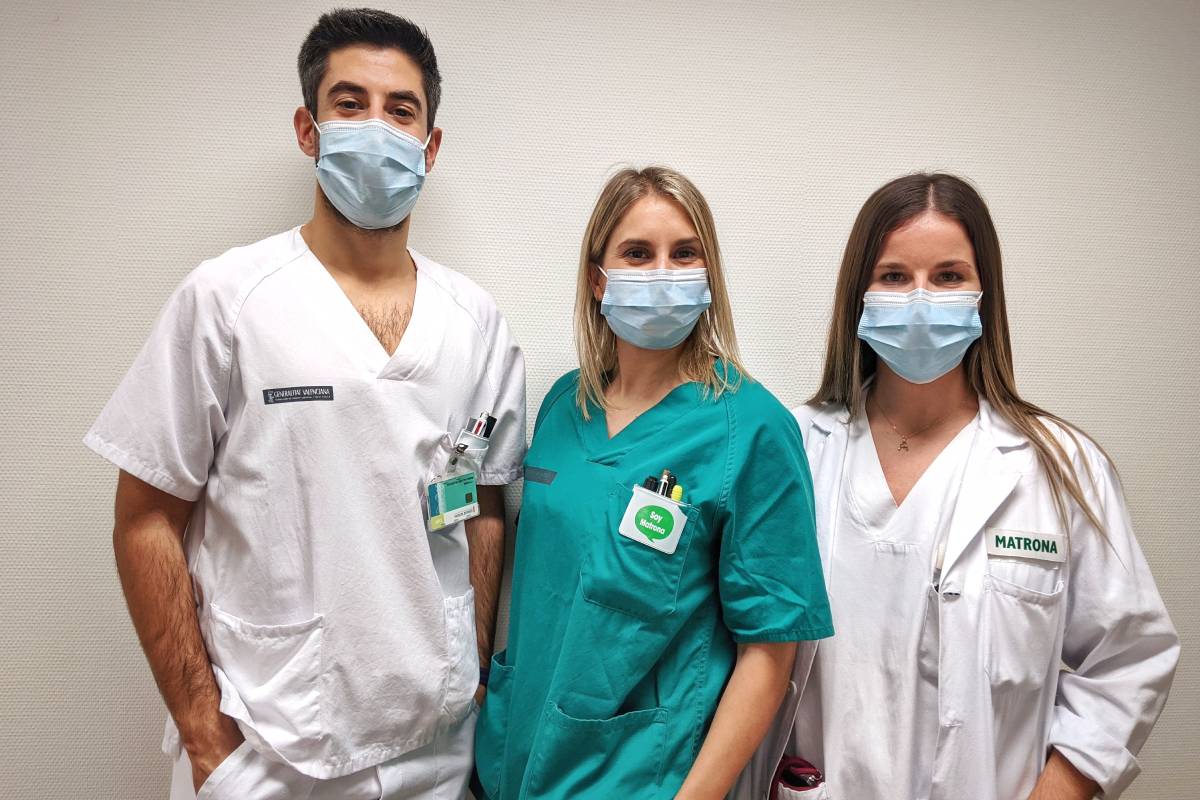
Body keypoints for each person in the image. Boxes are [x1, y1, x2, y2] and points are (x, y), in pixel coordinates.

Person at [84, 9, 525, 799]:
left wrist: (483, 672)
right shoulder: (228, 301)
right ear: (308, 128)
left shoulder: (475, 322)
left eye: (400, 109)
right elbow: (145, 516)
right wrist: (204, 737)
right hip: (269, 752)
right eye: (349, 103)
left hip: (441, 745)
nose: (376, 127)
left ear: (430, 145)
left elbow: (485, 504)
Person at [783, 173, 1178, 799]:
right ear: (857, 294)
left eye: (947, 277)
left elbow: (1131, 657)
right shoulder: (794, 448)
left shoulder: (1058, 467)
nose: (920, 299)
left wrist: (1062, 790)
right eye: (893, 276)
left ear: (983, 295)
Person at [473, 167, 833, 799]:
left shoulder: (751, 429)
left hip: (642, 776)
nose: (662, 273)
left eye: (684, 254)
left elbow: (771, 654)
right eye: (637, 254)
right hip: (515, 755)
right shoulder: (564, 405)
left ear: (709, 275)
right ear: (597, 277)